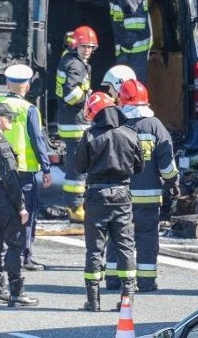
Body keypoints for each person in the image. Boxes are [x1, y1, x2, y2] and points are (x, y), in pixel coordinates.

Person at [102, 77, 179, 293]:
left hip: (119, 196)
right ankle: (146, 282)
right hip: (149, 198)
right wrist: (173, 182)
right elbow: (167, 162)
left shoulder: (115, 124)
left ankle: (114, 279)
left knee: (118, 235)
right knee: (146, 238)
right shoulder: (155, 126)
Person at [73, 91, 144, 311]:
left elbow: (79, 165)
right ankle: (127, 299)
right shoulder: (131, 134)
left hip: (96, 197)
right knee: (125, 247)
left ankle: (93, 300)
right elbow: (139, 167)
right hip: (122, 196)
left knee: (94, 249)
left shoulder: (90, 135)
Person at [0, 63, 53, 272]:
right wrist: (46, 167)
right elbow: (37, 139)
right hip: (23, 170)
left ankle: (1, 254)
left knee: (0, 214)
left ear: (7, 83)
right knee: (26, 213)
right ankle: (24, 256)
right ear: (27, 86)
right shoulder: (29, 109)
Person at [0, 102, 39, 307]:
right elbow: (11, 178)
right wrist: (21, 206)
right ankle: (17, 292)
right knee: (15, 244)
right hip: (3, 194)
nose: (11, 121)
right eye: (9, 118)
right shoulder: (1, 144)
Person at [55, 25, 98, 223]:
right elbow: (71, 95)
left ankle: (77, 204)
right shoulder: (75, 65)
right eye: (84, 46)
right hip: (76, 123)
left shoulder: (70, 60)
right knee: (77, 169)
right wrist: (90, 101)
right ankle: (74, 207)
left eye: (90, 47)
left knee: (78, 166)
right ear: (75, 46)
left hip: (73, 122)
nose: (87, 50)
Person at [88, 0, 152, 82]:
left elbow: (134, 27)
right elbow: (114, 4)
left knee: (133, 84)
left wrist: (124, 53)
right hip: (129, 49)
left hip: (134, 51)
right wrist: (92, 0)